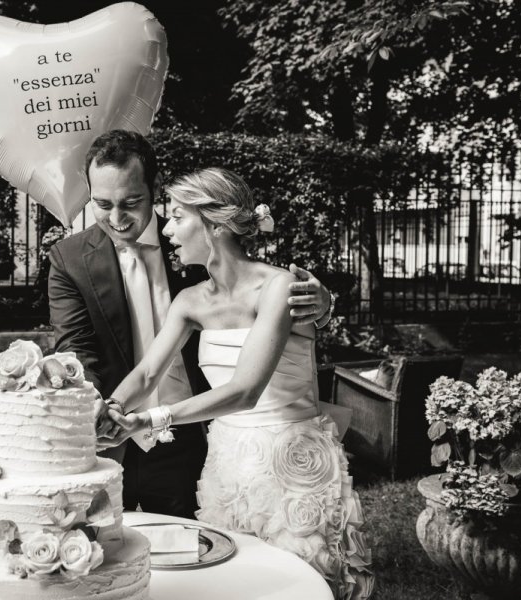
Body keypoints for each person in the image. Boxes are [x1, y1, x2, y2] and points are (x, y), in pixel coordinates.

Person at [99, 167, 373, 599]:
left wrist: (148, 420)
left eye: (177, 217)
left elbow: (247, 390)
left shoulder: (279, 286)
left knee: (298, 582)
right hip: (227, 462)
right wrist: (109, 408)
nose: (166, 228)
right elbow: (148, 373)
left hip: (291, 461)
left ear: (215, 224)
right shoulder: (190, 300)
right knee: (234, 583)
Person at [47, 130, 334, 520]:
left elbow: (263, 350)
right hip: (135, 440)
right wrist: (108, 409)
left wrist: (323, 306)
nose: (117, 218)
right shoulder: (73, 259)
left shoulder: (200, 252)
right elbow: (130, 366)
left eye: (132, 202)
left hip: (201, 439)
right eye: (102, 204)